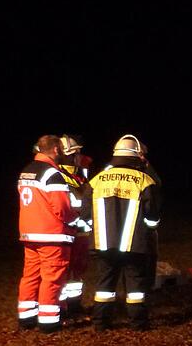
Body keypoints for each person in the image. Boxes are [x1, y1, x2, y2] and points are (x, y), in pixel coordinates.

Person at [89, 135, 162, 331]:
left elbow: (86, 211)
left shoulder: (98, 179)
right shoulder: (144, 180)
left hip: (103, 243)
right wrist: (150, 228)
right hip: (134, 244)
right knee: (135, 286)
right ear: (136, 156)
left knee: (104, 284)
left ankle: (100, 323)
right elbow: (152, 216)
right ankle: (138, 324)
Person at [17, 135, 78, 332]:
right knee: (52, 277)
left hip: (29, 233)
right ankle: (48, 321)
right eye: (60, 148)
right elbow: (62, 207)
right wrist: (74, 220)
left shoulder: (26, 171)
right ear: (55, 150)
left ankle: (26, 318)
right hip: (51, 235)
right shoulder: (52, 174)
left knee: (30, 275)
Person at [57, 134, 93, 315]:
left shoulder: (78, 174)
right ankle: (61, 307)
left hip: (81, 232)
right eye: (76, 153)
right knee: (63, 271)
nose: (79, 156)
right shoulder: (58, 175)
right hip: (68, 231)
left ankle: (74, 304)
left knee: (77, 272)